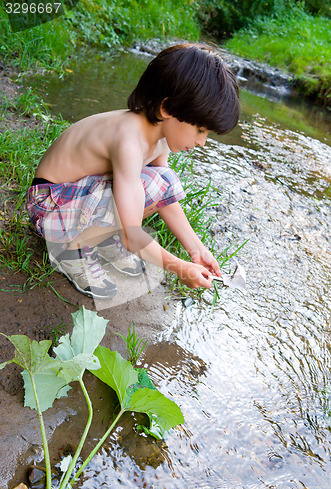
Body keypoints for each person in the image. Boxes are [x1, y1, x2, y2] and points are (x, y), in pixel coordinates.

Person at [26, 43, 239, 300]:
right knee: (142, 189)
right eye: (201, 130)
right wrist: (179, 268)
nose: (202, 142)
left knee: (163, 182)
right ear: (167, 109)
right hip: (49, 206)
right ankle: (71, 253)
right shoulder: (129, 140)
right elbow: (132, 233)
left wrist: (197, 249)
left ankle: (101, 241)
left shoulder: (159, 135)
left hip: (75, 195)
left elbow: (165, 198)